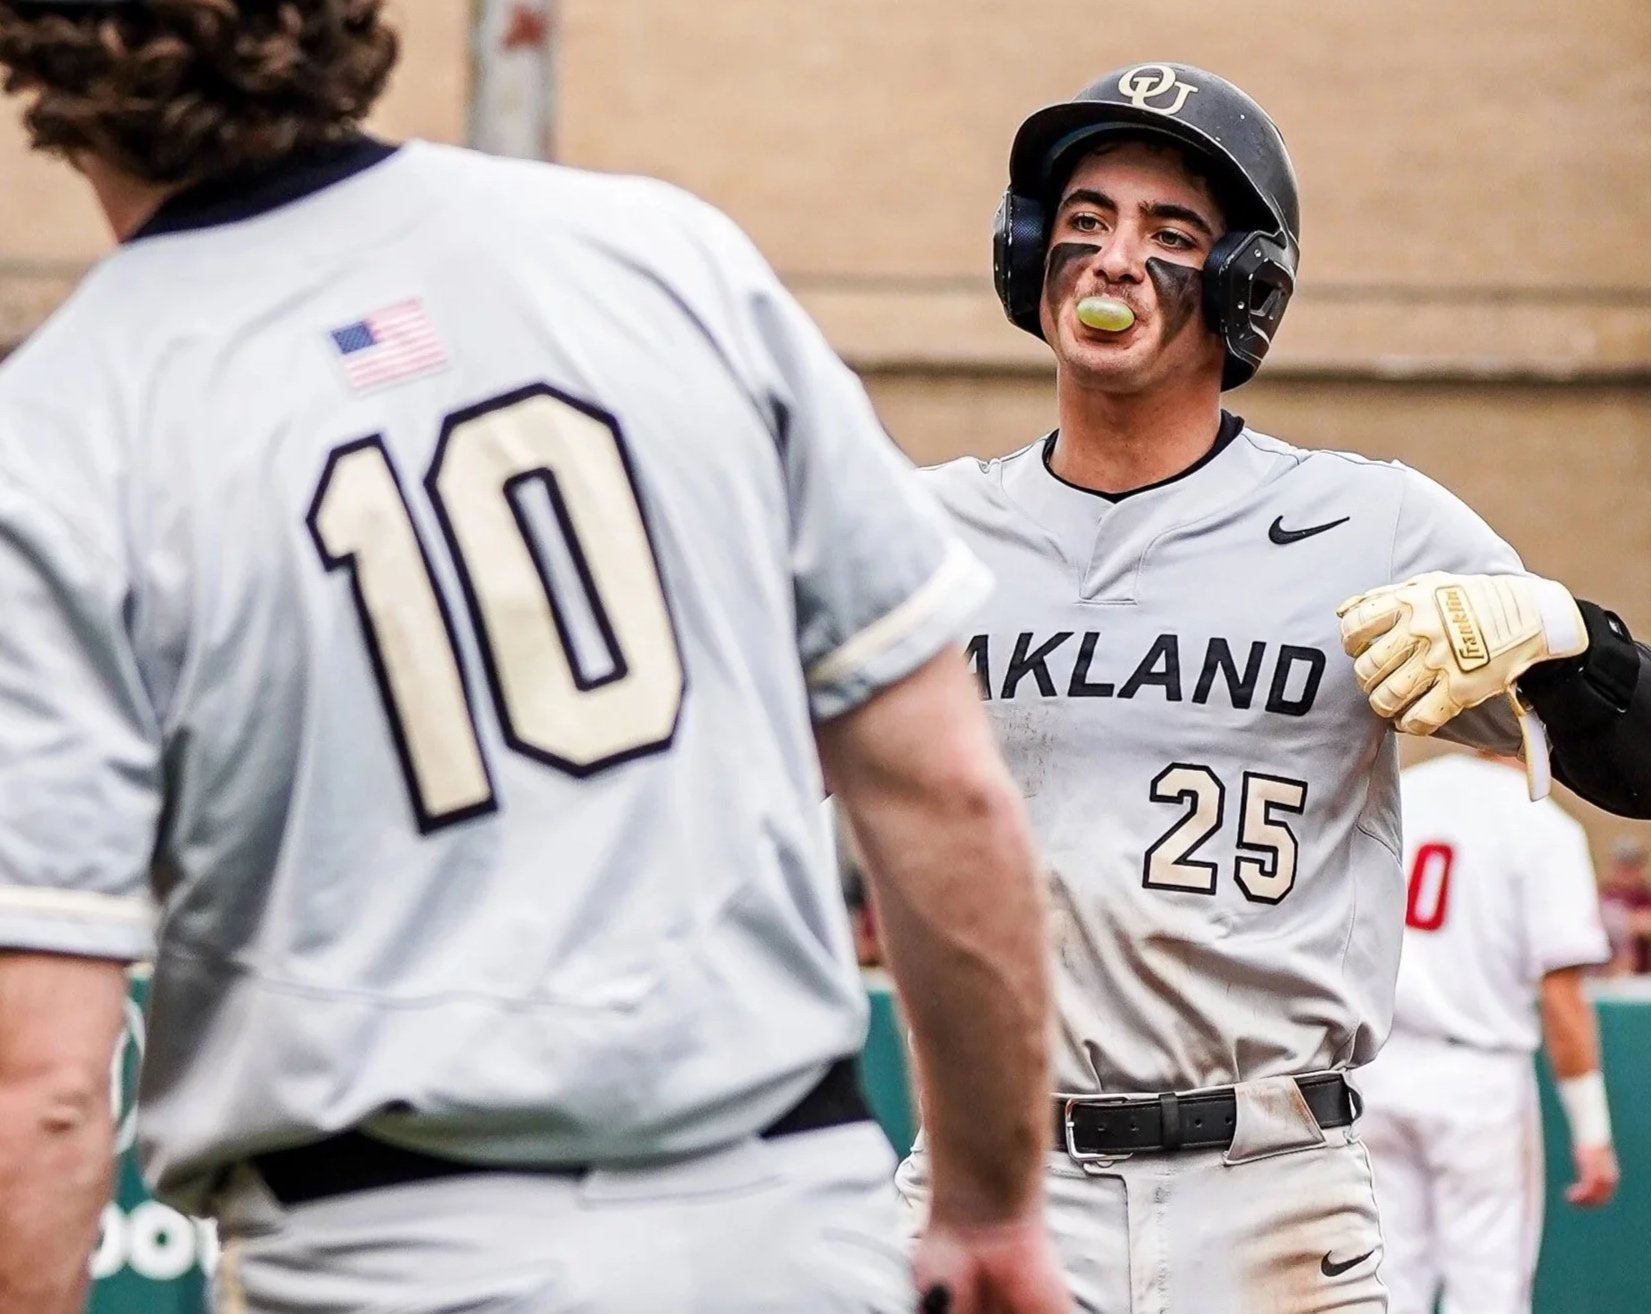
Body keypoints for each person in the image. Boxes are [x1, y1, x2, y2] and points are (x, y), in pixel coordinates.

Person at [0, 3, 1067, 1313]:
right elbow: (943, 791)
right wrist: (991, 1208)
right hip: (793, 1223)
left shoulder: (58, 429)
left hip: (390, 1256)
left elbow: (43, 1088)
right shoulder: (655, 252)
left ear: (39, 58)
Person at [898, 62, 1651, 1313]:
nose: (1114, 259)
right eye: (1084, 221)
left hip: (1269, 1188)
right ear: (1025, 252)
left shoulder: (1363, 524)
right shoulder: (927, 528)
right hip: (994, 1175)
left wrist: (1563, 635)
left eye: (1171, 235)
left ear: (1245, 285)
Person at [1348, 751, 1620, 1314]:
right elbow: (1561, 995)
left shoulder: (1403, 790)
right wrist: (1592, 1131)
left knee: (1385, 1283)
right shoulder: (1543, 825)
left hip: (1377, 1066)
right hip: (1477, 1077)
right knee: (1487, 1287)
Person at [1600, 838, 1651, 978]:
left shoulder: (1648, 896)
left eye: (1632, 867)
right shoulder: (1606, 893)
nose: (1627, 873)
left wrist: (1616, 921)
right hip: (1607, 974)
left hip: (1642, 975)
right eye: (1623, 867)